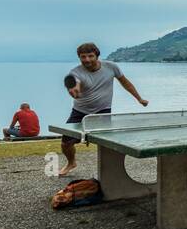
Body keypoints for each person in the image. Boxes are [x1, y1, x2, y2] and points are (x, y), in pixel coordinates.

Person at [60, 42, 148, 176]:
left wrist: (139, 99)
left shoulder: (111, 67)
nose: (87, 60)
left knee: (107, 143)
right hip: (80, 111)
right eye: (83, 57)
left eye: (90, 56)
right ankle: (71, 162)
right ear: (79, 58)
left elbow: (125, 82)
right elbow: (75, 84)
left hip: (103, 111)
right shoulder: (75, 72)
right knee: (65, 143)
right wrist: (75, 91)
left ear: (97, 56)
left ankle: (111, 171)